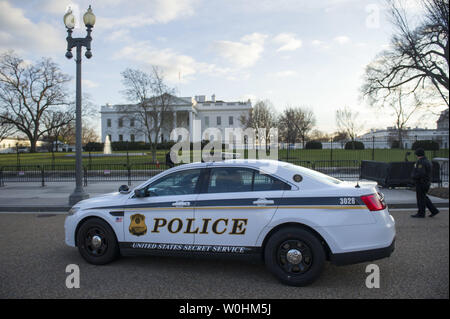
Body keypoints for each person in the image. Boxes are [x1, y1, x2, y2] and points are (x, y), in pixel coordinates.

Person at [410, 148, 440, 218]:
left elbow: (421, 173)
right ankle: (434, 210)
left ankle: (421, 213)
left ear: (418, 154)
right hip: (426, 182)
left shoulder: (421, 162)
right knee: (423, 197)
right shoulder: (427, 161)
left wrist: (413, 176)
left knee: (420, 199)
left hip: (421, 182)